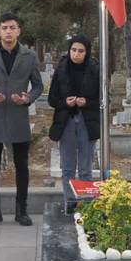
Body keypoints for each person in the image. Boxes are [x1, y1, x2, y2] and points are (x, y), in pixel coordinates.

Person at [0, 13, 43, 226]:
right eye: (4, 28)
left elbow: (38, 85)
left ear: (18, 31)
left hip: (18, 117)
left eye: (12, 27)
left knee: (22, 165)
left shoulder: (29, 56)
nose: (8, 32)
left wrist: (28, 98)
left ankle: (21, 210)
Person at [47, 34, 100, 198]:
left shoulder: (95, 70)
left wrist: (87, 103)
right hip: (66, 121)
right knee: (68, 169)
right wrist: (65, 103)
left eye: (81, 51)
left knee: (85, 169)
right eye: (73, 50)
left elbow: (104, 100)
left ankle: (85, 205)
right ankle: (69, 203)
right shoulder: (61, 69)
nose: (76, 54)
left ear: (87, 52)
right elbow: (52, 99)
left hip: (88, 122)